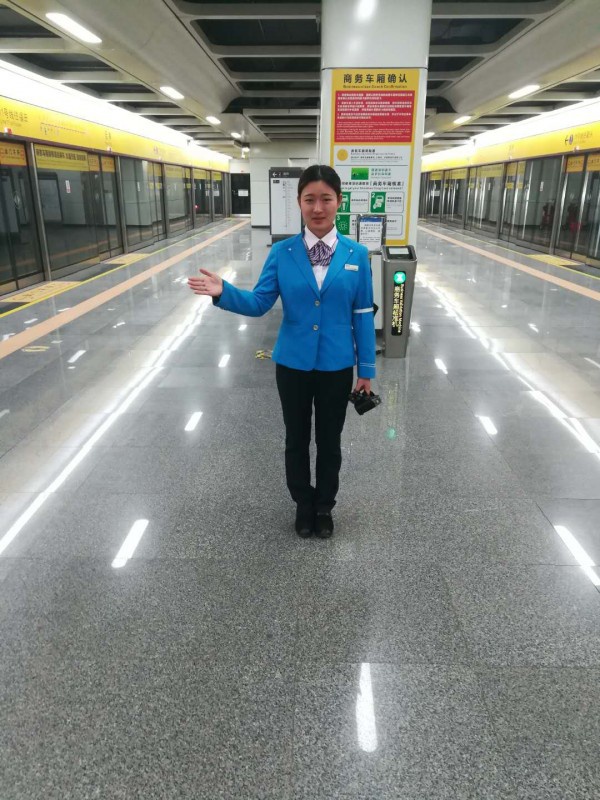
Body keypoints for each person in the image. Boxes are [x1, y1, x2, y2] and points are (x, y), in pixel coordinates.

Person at [188, 164, 376, 539]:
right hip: (292, 364)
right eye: (310, 199)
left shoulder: (357, 254)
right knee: (296, 438)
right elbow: (260, 302)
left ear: (339, 201)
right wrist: (225, 292)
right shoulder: (282, 252)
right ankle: (303, 504)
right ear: (299, 202)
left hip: (337, 365)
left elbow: (362, 314)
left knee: (330, 441)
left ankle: (324, 506)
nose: (318, 208)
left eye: (326, 199)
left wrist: (366, 370)